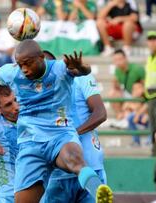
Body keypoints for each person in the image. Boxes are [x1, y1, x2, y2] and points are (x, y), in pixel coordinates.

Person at [0, 39, 113, 203]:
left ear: (41, 58)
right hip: (31, 143)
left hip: (60, 135)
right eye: (20, 64)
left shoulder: (59, 69)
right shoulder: (12, 73)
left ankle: (98, 190)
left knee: (75, 160)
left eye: (27, 64)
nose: (24, 69)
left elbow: (82, 71)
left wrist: (82, 68)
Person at [42, 51, 108, 203]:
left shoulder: (81, 78)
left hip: (90, 166)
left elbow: (100, 113)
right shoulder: (35, 92)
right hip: (56, 174)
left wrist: (71, 134)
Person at [109, 49, 145, 120]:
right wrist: (115, 84)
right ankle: (120, 114)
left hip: (137, 96)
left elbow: (144, 86)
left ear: (125, 58)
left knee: (137, 88)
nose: (118, 62)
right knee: (112, 93)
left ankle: (128, 113)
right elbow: (117, 88)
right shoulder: (117, 70)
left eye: (120, 59)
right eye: (115, 60)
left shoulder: (137, 69)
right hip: (127, 94)